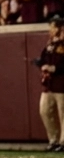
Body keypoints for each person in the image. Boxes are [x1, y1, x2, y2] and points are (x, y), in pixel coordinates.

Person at [35, 17, 64, 151]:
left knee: (62, 113)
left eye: (53, 27)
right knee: (44, 110)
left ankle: (63, 142)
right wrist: (40, 64)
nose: (50, 30)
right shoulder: (50, 44)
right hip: (49, 84)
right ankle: (53, 139)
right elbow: (43, 58)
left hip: (61, 84)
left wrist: (54, 69)